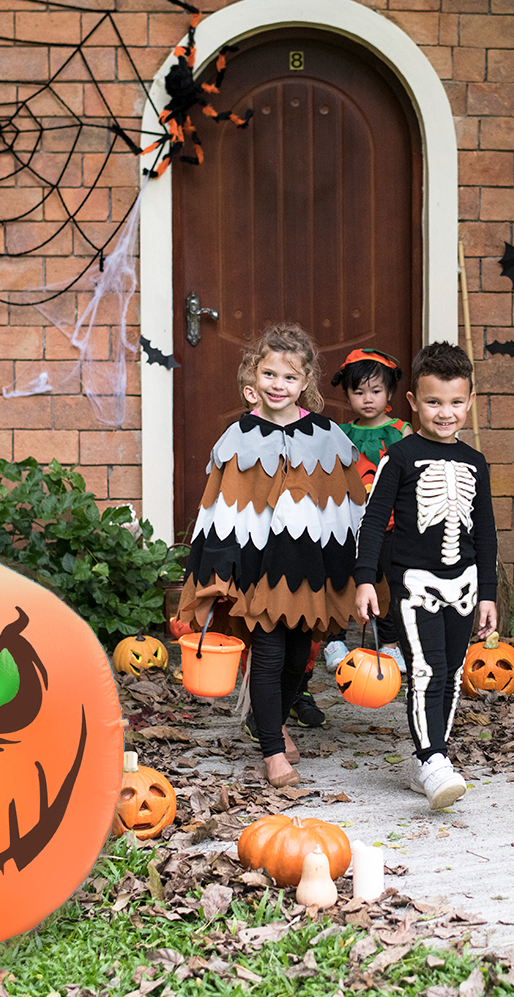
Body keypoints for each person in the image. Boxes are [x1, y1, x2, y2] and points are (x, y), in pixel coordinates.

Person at [178, 324, 372, 788]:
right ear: (253, 375)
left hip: (307, 570)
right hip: (257, 569)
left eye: (288, 377)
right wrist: (217, 572)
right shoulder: (238, 437)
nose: (277, 385)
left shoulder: (328, 437)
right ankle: (271, 753)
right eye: (268, 374)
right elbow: (219, 508)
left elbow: (347, 510)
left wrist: (356, 571)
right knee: (266, 654)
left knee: (295, 659)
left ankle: (273, 721)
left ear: (305, 382)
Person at [354, 342, 497, 810]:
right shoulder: (400, 457)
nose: (445, 412)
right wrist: (364, 581)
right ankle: (434, 757)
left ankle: (428, 761)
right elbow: (374, 521)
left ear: (470, 401)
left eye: (456, 402)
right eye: (434, 402)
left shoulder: (476, 462)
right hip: (414, 583)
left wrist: (489, 595)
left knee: (452, 673)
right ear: (413, 402)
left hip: (466, 584)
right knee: (425, 670)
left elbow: (487, 532)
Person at [321, 349, 413, 676]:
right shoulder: (341, 435)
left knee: (386, 582)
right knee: (339, 578)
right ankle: (334, 640)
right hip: (347, 524)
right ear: (346, 394)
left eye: (375, 391)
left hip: (388, 526)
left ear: (390, 393)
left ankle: (389, 644)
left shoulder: (402, 432)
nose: (367, 399)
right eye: (358, 392)